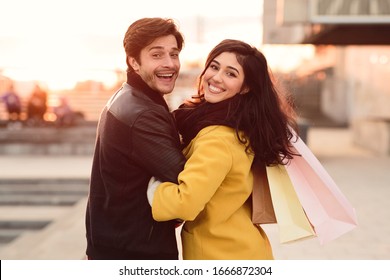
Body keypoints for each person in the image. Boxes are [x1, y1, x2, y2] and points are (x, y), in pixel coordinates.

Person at [147, 39, 298, 260]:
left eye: (231, 74)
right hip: (241, 248)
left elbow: (184, 203)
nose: (216, 77)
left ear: (246, 87)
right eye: (214, 67)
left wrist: (153, 189)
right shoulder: (241, 126)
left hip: (222, 255)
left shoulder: (218, 138)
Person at [85, 18, 186, 260]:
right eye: (157, 55)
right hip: (135, 252)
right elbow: (186, 177)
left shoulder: (130, 97)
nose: (169, 64)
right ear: (134, 62)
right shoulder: (141, 113)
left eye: (174, 54)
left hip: (117, 243)